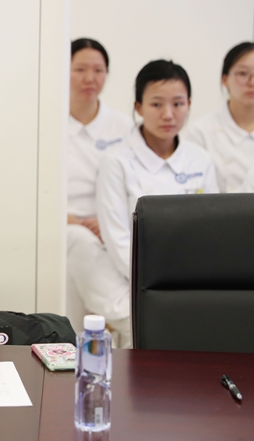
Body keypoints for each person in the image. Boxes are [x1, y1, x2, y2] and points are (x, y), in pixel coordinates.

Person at [94, 60, 219, 346]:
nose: (168, 114)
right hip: (135, 278)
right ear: (138, 107)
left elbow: (212, 231)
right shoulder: (116, 161)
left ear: (189, 104)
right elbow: (118, 238)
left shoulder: (201, 160)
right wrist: (156, 279)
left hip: (193, 279)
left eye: (178, 103)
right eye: (156, 104)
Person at [65, 38, 133, 339]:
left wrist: (107, 222)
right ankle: (129, 317)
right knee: (78, 241)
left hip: (114, 224)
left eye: (98, 70)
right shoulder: (49, 124)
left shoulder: (124, 127)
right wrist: (77, 221)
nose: (90, 78)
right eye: (80, 69)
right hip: (67, 227)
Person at [188, 42, 254, 193]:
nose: (251, 82)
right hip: (217, 209)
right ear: (225, 79)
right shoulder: (201, 132)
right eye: (243, 74)